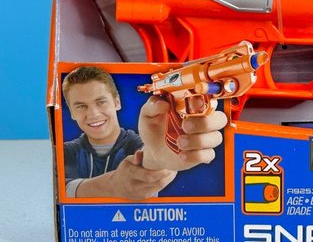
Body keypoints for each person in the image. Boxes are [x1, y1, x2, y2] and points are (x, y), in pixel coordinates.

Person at [62, 66, 226, 200]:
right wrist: (113, 186)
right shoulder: (64, 152)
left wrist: (157, 160)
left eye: (101, 102)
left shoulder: (138, 144)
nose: (93, 114)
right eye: (81, 106)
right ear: (72, 113)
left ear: (117, 102)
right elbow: (59, 191)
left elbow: (149, 158)